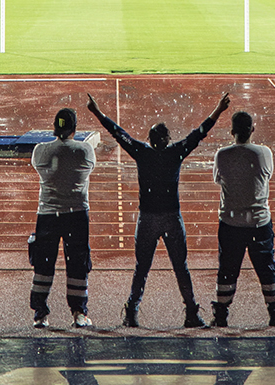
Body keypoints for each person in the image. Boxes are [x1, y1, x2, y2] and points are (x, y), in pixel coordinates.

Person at [86, 91, 230, 328]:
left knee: (142, 268)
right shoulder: (176, 153)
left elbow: (118, 133)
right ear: (168, 139)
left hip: (147, 218)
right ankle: (191, 312)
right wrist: (218, 109)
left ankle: (132, 312)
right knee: (180, 267)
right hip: (172, 217)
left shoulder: (142, 153)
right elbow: (200, 133)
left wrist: (97, 111)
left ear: (150, 139)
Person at [212, 110, 275, 327]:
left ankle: (221, 314)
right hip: (259, 222)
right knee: (266, 267)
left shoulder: (222, 155)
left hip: (231, 222)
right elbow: (267, 175)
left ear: (232, 131)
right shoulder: (263, 153)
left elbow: (219, 179)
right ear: (252, 129)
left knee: (227, 268)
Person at [28, 106, 96, 329]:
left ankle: (40, 313)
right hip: (76, 214)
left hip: (47, 215)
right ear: (75, 128)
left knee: (43, 264)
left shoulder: (41, 151)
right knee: (77, 264)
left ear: (54, 128)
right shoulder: (85, 151)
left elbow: (45, 164)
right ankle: (78, 312)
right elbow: (85, 166)